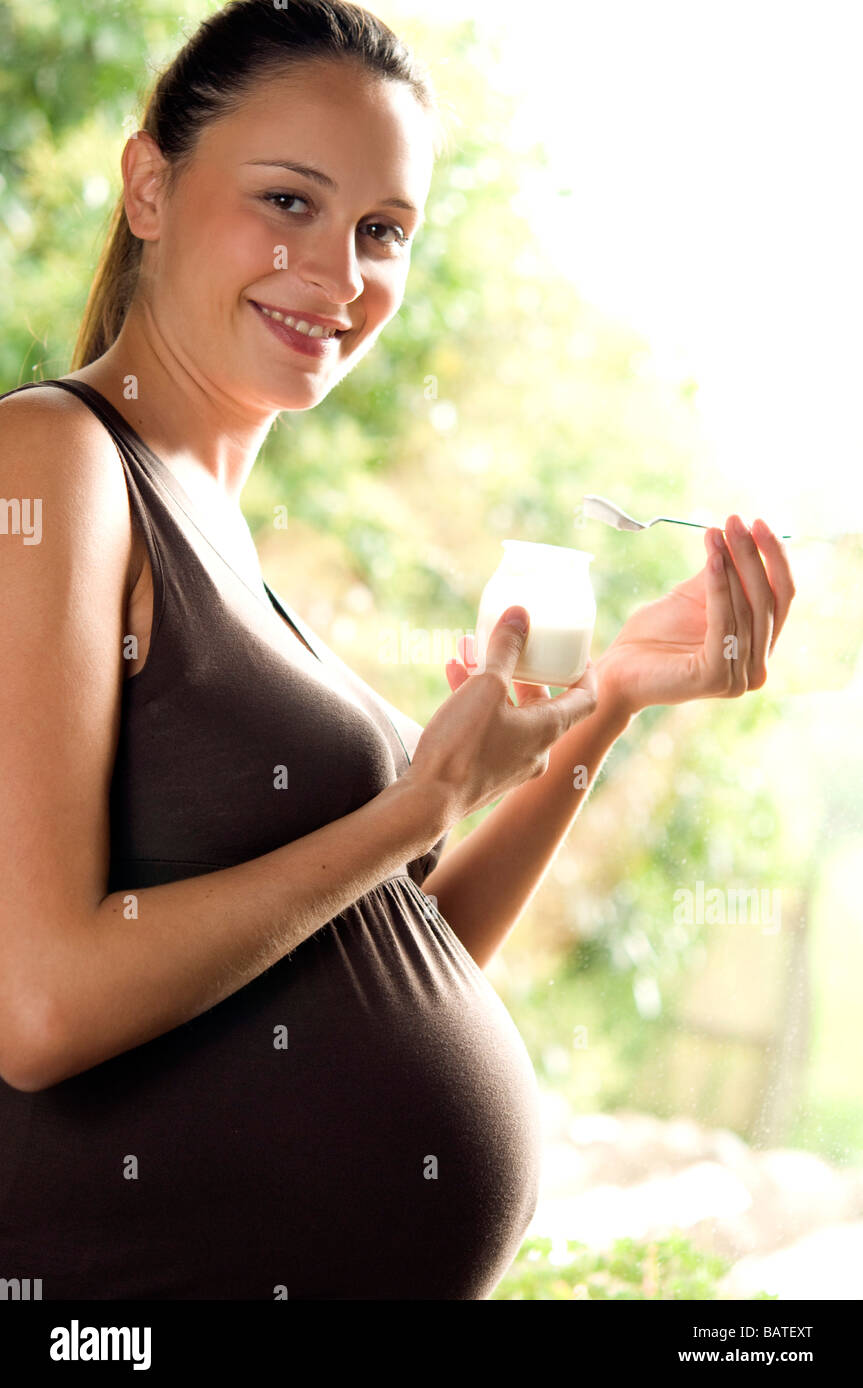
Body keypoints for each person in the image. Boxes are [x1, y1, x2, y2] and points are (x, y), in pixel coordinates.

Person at [0, 0, 794, 1300]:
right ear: (148, 185)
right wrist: (425, 797)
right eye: (289, 201)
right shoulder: (56, 462)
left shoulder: (229, 547)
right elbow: (38, 1006)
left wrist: (607, 702)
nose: (339, 272)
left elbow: (381, 951)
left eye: (384, 232)